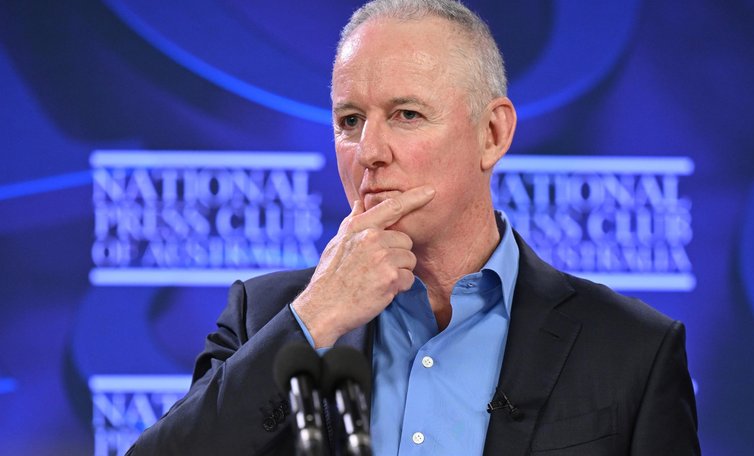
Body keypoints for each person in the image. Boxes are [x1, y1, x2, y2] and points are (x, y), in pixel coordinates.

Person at [127, 0, 700, 454]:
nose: (369, 150)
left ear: (492, 134)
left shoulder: (633, 350)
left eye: (407, 115)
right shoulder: (263, 318)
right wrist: (313, 320)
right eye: (350, 120)